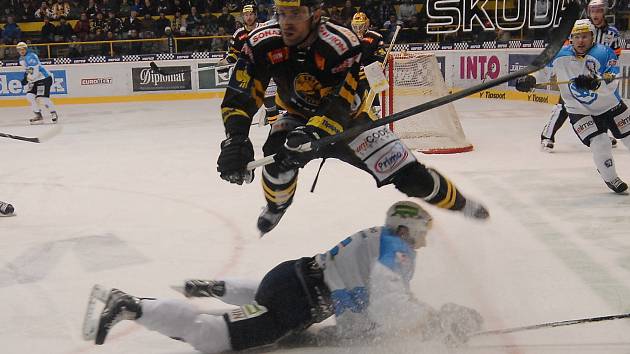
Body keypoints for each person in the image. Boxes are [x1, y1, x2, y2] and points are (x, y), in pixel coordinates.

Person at [217, 0, 489, 236]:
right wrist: (236, 138)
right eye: (282, 13)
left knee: (412, 177)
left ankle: (461, 203)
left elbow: (342, 103)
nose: (286, 22)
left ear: (315, 13)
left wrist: (313, 136)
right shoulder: (262, 42)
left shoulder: (341, 43)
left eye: (295, 13)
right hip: (296, 117)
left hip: (350, 124)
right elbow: (241, 93)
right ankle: (277, 206)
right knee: (275, 162)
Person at [90, 201, 484, 352]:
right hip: (294, 303)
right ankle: (132, 306)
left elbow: (370, 297)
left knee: (258, 305)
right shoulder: (396, 250)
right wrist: (435, 321)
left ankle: (213, 289)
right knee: (213, 338)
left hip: (288, 278)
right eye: (422, 233)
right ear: (407, 229)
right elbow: (387, 302)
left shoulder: (378, 239)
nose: (424, 242)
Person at [516, 19, 629, 193]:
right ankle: (611, 178)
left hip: (610, 105)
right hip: (579, 110)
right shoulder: (560, 55)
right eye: (576, 37)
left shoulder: (605, 53)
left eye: (585, 36)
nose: (581, 41)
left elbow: (612, 79)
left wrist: (596, 83)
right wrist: (530, 79)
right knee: (600, 142)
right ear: (571, 38)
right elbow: (542, 71)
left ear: (592, 37)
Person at [539, 0, 621, 152]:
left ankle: (603, 133)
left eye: (599, 11)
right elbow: (567, 47)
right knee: (564, 104)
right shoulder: (580, 26)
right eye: (593, 11)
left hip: (597, 71)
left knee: (603, 103)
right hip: (576, 68)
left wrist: (608, 73)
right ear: (589, 12)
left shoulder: (612, 33)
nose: (596, 14)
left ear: (604, 12)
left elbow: (615, 55)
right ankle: (547, 135)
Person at [217, 3, 282, 125]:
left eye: (251, 14)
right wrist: (225, 62)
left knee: (270, 101)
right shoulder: (239, 34)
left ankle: (275, 126)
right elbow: (233, 53)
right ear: (242, 16)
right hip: (250, 73)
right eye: (246, 15)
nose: (249, 17)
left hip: (268, 70)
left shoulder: (263, 28)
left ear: (256, 15)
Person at [17, 42, 59, 124]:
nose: (21, 51)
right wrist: (25, 77)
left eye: (23, 49)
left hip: (44, 78)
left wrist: (27, 79)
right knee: (29, 96)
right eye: (19, 49)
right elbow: (28, 70)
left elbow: (35, 71)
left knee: (42, 98)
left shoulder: (31, 56)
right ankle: (38, 115)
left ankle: (53, 113)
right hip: (35, 80)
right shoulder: (21, 59)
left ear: (26, 49)